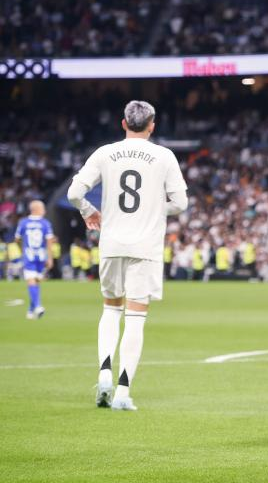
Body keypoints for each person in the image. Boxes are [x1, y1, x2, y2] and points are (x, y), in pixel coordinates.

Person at [67, 100, 188, 410]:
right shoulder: (164, 156)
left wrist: (88, 210)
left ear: (123, 123)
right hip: (145, 247)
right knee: (136, 318)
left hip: (112, 243)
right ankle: (122, 392)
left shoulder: (105, 153)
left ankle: (104, 373)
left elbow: (74, 193)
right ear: (152, 126)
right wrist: (154, 208)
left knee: (111, 310)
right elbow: (180, 203)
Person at [14, 200, 57, 319]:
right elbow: (49, 241)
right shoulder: (45, 223)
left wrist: (22, 248)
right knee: (34, 280)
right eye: (43, 208)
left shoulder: (23, 222)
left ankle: (32, 308)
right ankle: (37, 307)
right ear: (36, 209)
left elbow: (17, 239)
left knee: (33, 280)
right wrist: (50, 258)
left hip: (29, 254)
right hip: (41, 255)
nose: (45, 211)